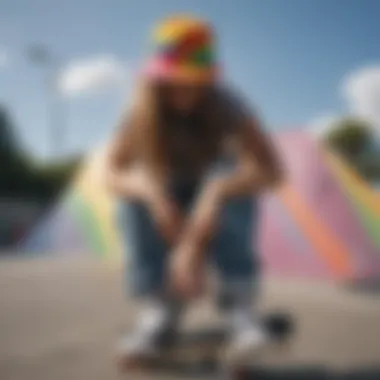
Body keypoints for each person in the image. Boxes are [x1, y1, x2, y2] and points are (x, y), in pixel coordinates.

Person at [105, 15, 283, 363]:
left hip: (211, 198)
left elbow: (271, 169)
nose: (182, 90)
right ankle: (163, 307)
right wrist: (152, 196)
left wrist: (216, 193)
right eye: (171, 81)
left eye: (192, 80)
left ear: (207, 78)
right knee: (137, 187)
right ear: (154, 78)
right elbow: (112, 172)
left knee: (232, 176)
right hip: (169, 198)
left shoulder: (228, 103)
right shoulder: (139, 110)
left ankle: (239, 305)